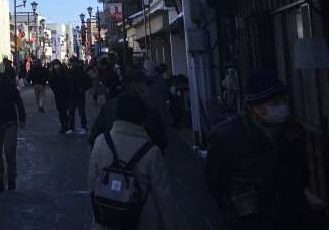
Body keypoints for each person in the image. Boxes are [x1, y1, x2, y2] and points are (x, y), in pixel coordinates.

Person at [206, 70, 313, 229]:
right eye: (274, 102)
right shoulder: (227, 136)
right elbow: (215, 182)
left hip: (292, 217)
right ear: (254, 106)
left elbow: (301, 174)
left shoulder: (292, 132)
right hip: (251, 220)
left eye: (283, 100)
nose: (282, 106)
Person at [88, 93, 184, 230]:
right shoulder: (151, 151)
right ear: (142, 118)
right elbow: (163, 196)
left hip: (107, 219)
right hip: (142, 220)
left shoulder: (101, 142)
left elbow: (92, 182)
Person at [89, 70, 168, 153]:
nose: (148, 88)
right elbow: (161, 142)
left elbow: (94, 136)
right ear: (136, 86)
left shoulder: (109, 106)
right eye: (145, 84)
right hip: (141, 161)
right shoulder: (148, 109)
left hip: (113, 159)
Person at [68, 58, 92, 133]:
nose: (72, 64)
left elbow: (89, 82)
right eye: (71, 63)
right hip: (74, 94)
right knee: (75, 111)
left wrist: (83, 89)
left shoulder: (80, 71)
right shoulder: (71, 71)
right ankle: (76, 126)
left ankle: (80, 126)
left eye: (73, 63)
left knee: (78, 111)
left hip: (78, 94)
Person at [48, 59, 70, 134]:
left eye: (57, 65)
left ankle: (65, 126)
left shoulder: (64, 72)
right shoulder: (53, 74)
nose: (56, 66)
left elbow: (68, 81)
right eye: (55, 65)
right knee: (61, 111)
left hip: (65, 94)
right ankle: (64, 126)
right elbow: (51, 83)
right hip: (59, 95)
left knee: (63, 111)